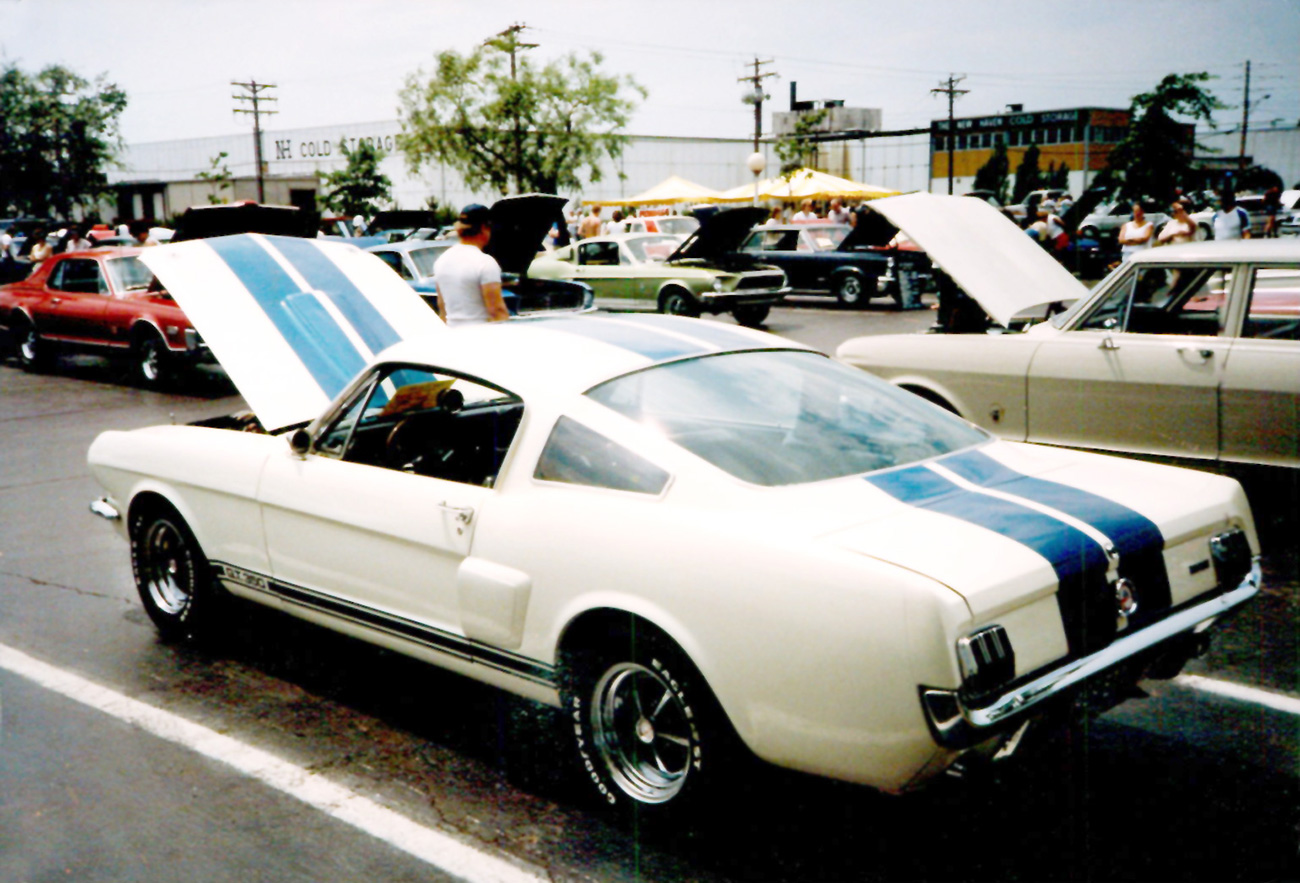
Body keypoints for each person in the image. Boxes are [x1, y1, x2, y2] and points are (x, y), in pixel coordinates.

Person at [432, 203, 509, 328]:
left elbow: (442, 309)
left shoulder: (441, 261)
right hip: (480, 339)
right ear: (484, 228)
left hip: (454, 337)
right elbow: (497, 312)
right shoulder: (484, 263)